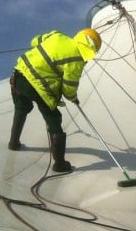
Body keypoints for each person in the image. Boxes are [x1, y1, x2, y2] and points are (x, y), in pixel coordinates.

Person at [7, 28, 102, 172]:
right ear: (92, 48)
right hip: (39, 85)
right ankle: (59, 163)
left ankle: (13, 143)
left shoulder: (57, 36)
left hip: (19, 75)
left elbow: (35, 41)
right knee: (54, 119)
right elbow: (69, 85)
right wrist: (73, 98)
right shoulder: (77, 59)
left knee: (22, 107)